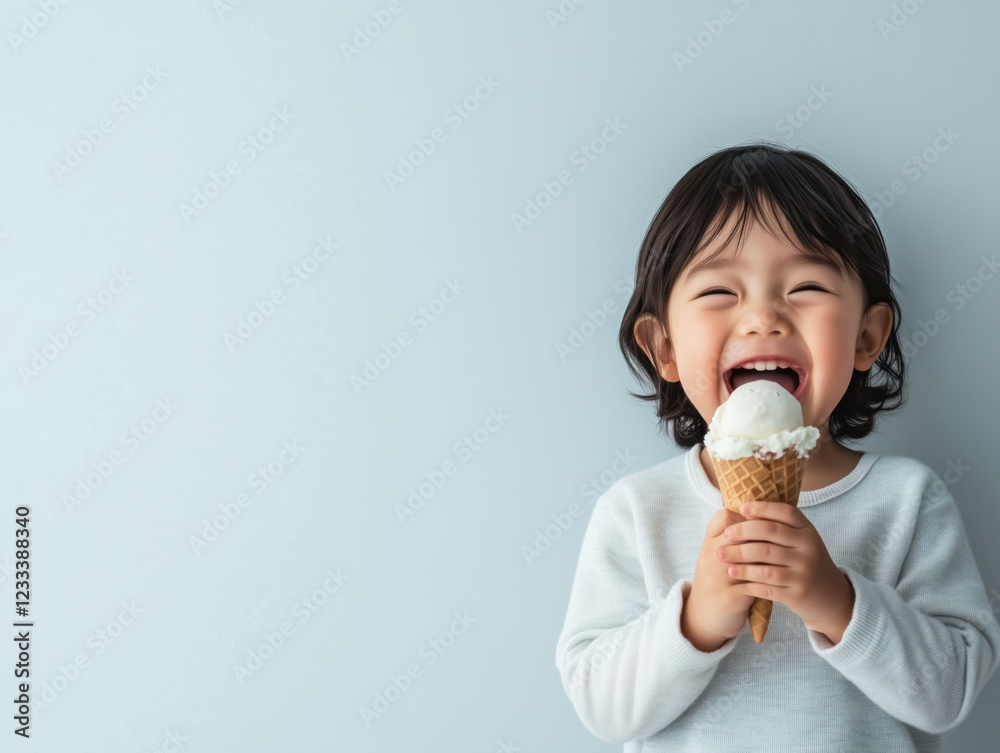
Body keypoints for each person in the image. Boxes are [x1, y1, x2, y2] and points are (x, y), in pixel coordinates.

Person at [554, 142, 1000, 751]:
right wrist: (697, 618)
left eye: (807, 285)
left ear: (867, 337)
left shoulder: (908, 501)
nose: (763, 317)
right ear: (664, 349)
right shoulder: (638, 511)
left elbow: (950, 693)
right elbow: (600, 704)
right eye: (718, 293)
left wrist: (836, 601)